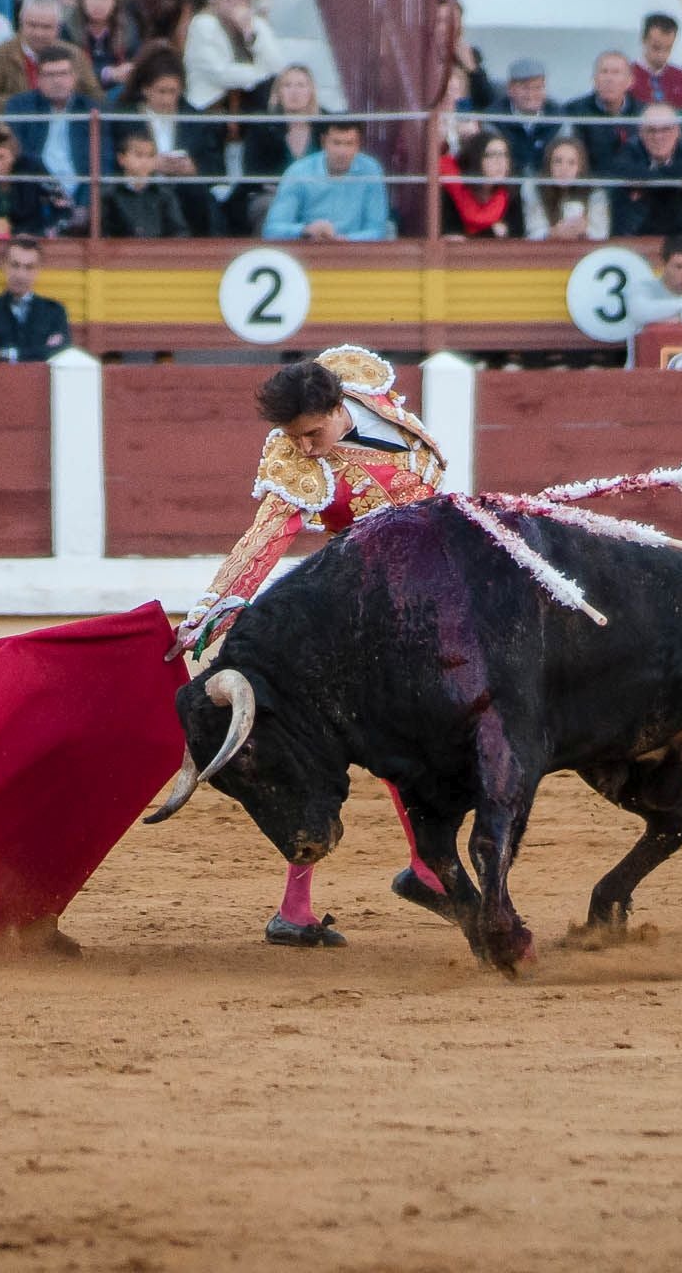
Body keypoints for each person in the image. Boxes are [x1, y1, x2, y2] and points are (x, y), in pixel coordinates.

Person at [184, 349, 453, 947]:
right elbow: (262, 542)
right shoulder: (298, 465)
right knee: (358, 751)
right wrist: (207, 615)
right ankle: (418, 873)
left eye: (311, 433)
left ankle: (308, 907)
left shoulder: (365, 390)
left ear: (338, 406)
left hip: (425, 595)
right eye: (291, 437)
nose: (303, 448)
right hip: (357, 612)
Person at [261, 119, 393, 240]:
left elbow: (377, 230)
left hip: (356, 254)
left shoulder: (371, 169)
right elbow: (272, 229)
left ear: (358, 145)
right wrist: (306, 230)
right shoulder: (299, 171)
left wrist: (346, 240)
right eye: (336, 143)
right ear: (324, 142)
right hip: (308, 249)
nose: (342, 151)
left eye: (349, 144)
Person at [0, 236, 70, 362]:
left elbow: (61, 355)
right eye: (15, 265)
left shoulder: (55, 312)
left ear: (38, 270)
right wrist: (41, 351)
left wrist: (12, 354)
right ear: (3, 266)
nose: (20, 275)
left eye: (29, 267)